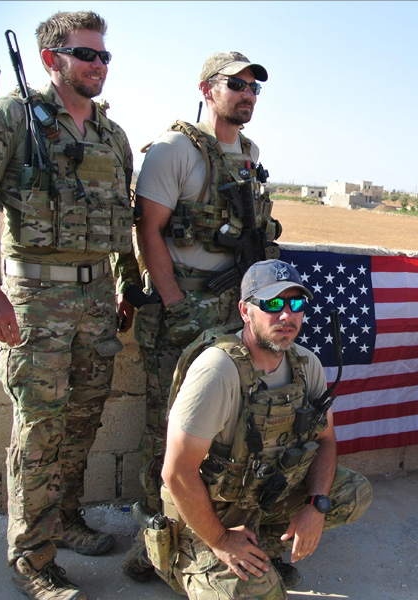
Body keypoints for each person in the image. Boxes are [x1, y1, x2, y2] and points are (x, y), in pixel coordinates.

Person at [0, 11, 139, 600]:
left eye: (104, 56)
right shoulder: (8, 119)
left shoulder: (111, 134)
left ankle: (66, 522)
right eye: (86, 54)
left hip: (97, 299)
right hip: (34, 303)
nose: (98, 65)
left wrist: (128, 283)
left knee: (81, 423)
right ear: (52, 59)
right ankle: (32, 559)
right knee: (39, 430)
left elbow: (122, 220)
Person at [139, 259, 372, 598]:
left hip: (260, 499)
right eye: (273, 303)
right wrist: (221, 540)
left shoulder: (307, 365)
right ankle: (177, 557)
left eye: (296, 304)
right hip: (206, 514)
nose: (286, 315)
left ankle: (259, 548)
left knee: (353, 493)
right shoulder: (218, 371)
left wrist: (316, 504)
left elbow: (325, 441)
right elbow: (176, 473)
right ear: (245, 311)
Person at [131, 50, 282, 511]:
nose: (247, 94)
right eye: (235, 84)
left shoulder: (250, 155)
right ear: (206, 90)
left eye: (254, 87)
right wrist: (175, 304)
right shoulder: (174, 150)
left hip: (232, 307)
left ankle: (206, 518)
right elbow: (147, 230)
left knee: (224, 419)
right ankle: (157, 525)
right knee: (169, 419)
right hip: (182, 305)